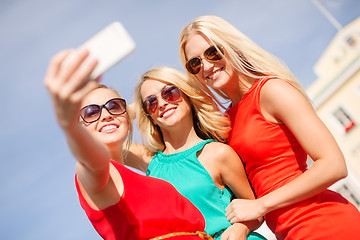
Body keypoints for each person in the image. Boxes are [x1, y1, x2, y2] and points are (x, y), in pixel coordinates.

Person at [179, 15, 360, 239]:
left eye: (212, 52)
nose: (206, 65)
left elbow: (334, 165)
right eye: (195, 63)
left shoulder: (270, 91)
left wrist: (261, 205)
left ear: (231, 47)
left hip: (324, 224)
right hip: (289, 233)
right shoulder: (225, 121)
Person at [44, 48, 216, 240]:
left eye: (114, 106)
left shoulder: (143, 170)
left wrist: (139, 110)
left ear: (127, 115)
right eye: (91, 112)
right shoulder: (95, 172)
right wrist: (68, 123)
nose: (106, 115)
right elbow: (90, 159)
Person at [126, 66, 266, 240]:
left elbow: (256, 209)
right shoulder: (151, 161)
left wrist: (241, 228)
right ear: (149, 116)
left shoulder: (218, 153)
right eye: (151, 102)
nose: (162, 103)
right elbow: (96, 141)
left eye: (169, 92)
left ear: (187, 95)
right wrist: (135, 108)